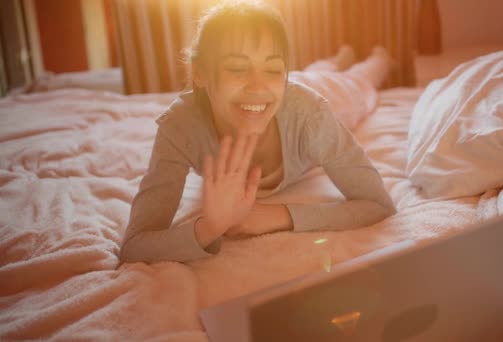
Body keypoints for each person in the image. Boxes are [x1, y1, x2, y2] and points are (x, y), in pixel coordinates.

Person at [119, 0, 396, 264]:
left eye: (273, 69)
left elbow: (378, 204)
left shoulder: (311, 115)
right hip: (294, 84)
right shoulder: (179, 128)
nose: (258, 86)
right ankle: (336, 58)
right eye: (238, 68)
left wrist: (275, 216)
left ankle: (377, 57)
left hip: (332, 96)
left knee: (359, 80)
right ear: (199, 73)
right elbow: (135, 246)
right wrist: (210, 227)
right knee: (318, 72)